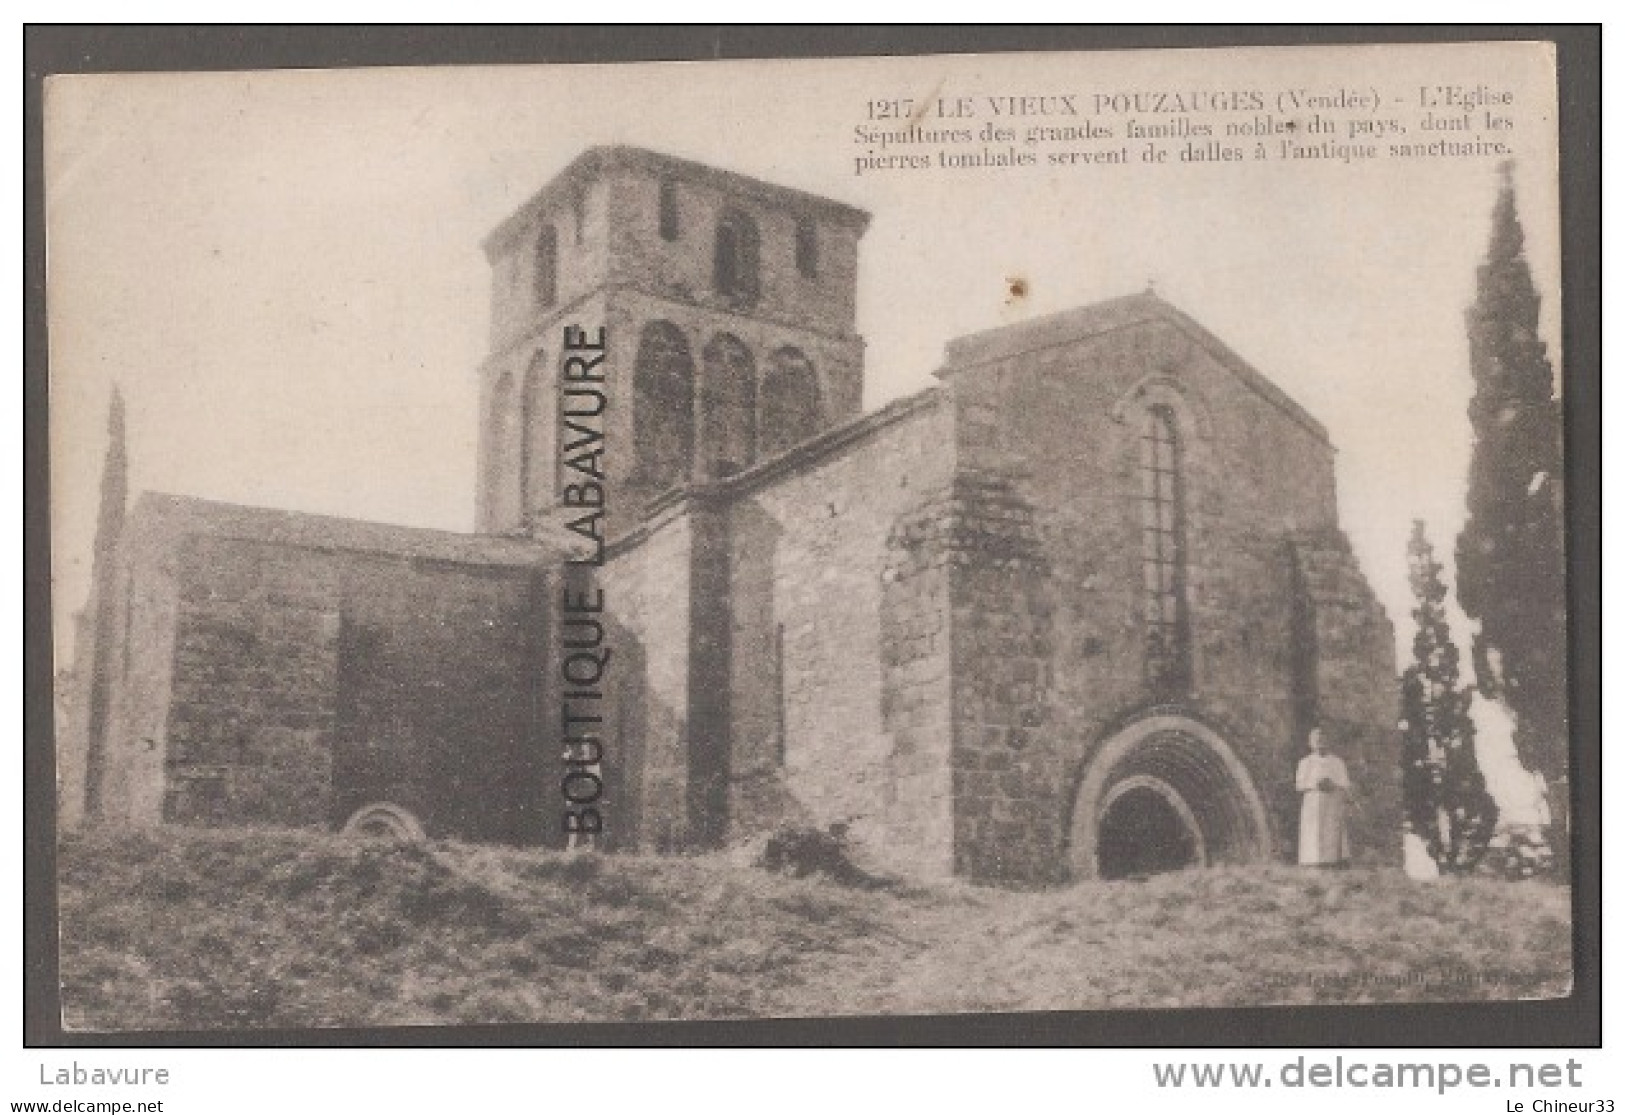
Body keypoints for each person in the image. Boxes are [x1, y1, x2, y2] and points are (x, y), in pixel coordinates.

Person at [1296, 727, 1351, 867]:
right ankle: (1312, 861)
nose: (1320, 743)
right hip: (1313, 802)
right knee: (1313, 831)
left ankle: (1331, 861)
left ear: (1328, 742)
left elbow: (1344, 783)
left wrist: (1333, 785)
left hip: (1332, 801)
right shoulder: (1305, 762)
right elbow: (1299, 784)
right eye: (1317, 740)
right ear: (1311, 743)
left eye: (1323, 740)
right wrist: (1315, 784)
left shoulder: (1337, 762)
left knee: (1331, 831)